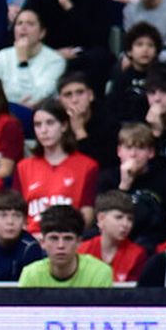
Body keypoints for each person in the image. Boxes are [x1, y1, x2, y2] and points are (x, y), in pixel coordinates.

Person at [15, 98, 100, 232]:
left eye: (50, 123)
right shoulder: (23, 167)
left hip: (68, 239)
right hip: (33, 240)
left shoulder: (87, 166)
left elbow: (87, 214)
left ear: (64, 126)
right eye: (38, 125)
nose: (43, 130)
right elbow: (17, 212)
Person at [96, 121, 166, 248]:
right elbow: (104, 220)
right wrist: (124, 185)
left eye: (140, 148)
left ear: (151, 152)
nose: (133, 154)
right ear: (119, 151)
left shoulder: (165, 177)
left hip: (154, 240)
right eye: (128, 147)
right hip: (118, 241)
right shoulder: (108, 178)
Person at [18, 204, 113, 287]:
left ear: (79, 242)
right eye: (54, 238)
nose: (61, 245)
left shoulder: (99, 273)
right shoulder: (31, 275)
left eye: (68, 238)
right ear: (42, 242)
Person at [0, 7, 65, 107]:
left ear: (42, 33)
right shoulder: (1, 57)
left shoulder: (55, 61)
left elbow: (34, 99)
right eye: (19, 23)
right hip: (5, 112)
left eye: (30, 24)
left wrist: (23, 61)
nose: (23, 27)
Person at [78, 189, 151, 283]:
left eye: (130, 219)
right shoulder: (82, 250)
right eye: (119, 217)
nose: (126, 224)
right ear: (101, 219)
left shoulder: (138, 254)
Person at [59, 71, 119, 166]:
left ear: (90, 95)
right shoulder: (56, 122)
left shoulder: (108, 121)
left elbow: (101, 164)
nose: (75, 100)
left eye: (80, 92)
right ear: (60, 100)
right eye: (68, 95)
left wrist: (79, 130)